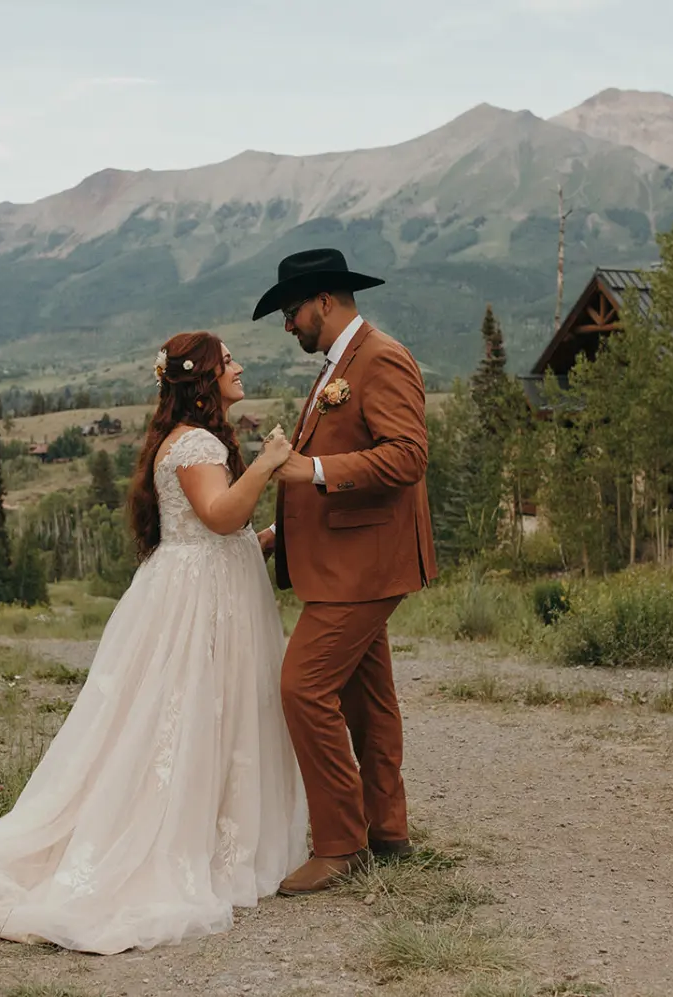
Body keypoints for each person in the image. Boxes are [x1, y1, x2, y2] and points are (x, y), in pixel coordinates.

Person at [0, 331, 308, 954]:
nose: (240, 366)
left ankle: (210, 824)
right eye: (228, 361)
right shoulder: (197, 443)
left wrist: (273, 536)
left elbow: (219, 539)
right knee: (191, 713)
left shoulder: (184, 439)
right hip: (196, 605)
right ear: (204, 380)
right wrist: (267, 462)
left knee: (196, 714)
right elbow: (220, 517)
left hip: (196, 591)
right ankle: (185, 836)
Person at [250, 248, 438, 896]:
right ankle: (387, 830)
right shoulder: (340, 363)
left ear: (324, 301)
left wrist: (312, 470)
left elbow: (407, 455)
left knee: (302, 688)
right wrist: (279, 534)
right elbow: (339, 453)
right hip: (346, 560)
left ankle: (339, 844)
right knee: (367, 698)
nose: (287, 325)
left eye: (290, 311)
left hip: (365, 565)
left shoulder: (379, 358)